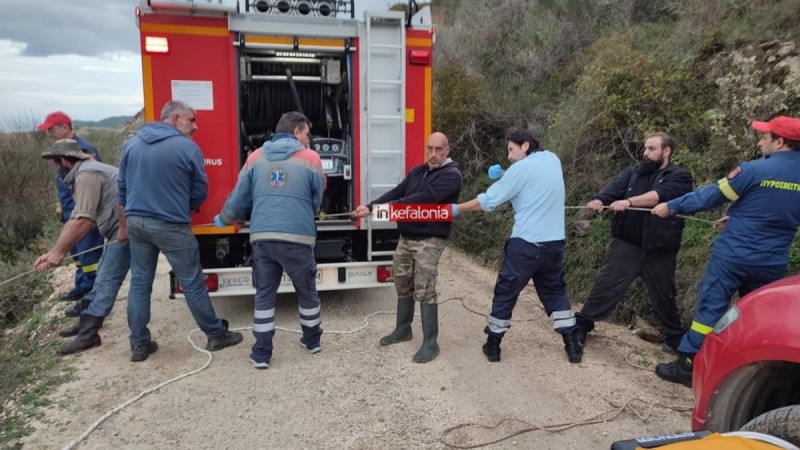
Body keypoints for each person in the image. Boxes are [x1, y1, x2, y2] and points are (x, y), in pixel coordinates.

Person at [651, 116, 800, 386]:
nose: (759, 141)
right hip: (772, 262)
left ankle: (687, 366)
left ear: (780, 142)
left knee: (710, 310)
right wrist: (741, 217)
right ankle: (748, 377)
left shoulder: (754, 170)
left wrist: (671, 206)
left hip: (734, 256)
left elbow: (709, 196)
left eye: (764, 137)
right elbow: (777, 212)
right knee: (757, 317)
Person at [118, 100, 242, 362]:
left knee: (140, 283)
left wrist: (123, 227)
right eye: (192, 120)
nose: (195, 126)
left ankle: (139, 344)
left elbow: (122, 191)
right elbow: (200, 190)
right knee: (192, 282)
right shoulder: (187, 148)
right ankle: (216, 334)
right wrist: (186, 207)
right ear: (175, 119)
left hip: (136, 223)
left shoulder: (132, 144)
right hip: (171, 225)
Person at [453, 130, 582, 363]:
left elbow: (489, 201)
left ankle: (493, 345)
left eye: (511, 150)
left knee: (506, 292)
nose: (509, 156)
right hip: (554, 244)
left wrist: (457, 209)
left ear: (525, 145)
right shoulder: (553, 160)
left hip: (526, 245)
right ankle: (572, 345)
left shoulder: (519, 169)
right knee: (554, 291)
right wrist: (505, 174)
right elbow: (533, 185)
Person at [214, 112, 325, 370]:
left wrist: (224, 218)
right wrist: (309, 213)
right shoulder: (311, 159)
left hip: (263, 238)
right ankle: (312, 341)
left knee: (264, 295)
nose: (308, 140)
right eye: (307, 133)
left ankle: (261, 353)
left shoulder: (255, 157)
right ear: (296, 131)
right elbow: (317, 197)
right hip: (298, 237)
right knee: (307, 291)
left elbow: (240, 196)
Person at [574, 133, 693, 354]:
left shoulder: (680, 177)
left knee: (664, 296)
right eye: (645, 148)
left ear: (666, 151)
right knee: (605, 285)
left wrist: (628, 202)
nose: (645, 153)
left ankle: (676, 342)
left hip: (660, 250)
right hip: (626, 245)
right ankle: (583, 324)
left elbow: (659, 196)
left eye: (651, 149)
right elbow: (612, 190)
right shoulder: (633, 172)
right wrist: (600, 199)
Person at [352, 132, 462, 363]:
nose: (433, 154)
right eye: (429, 149)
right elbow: (398, 192)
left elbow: (423, 198)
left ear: (447, 150)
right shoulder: (418, 171)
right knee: (402, 282)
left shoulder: (451, 176)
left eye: (438, 150)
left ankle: (431, 343)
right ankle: (403, 329)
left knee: (425, 289)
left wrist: (383, 209)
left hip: (429, 240)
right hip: (406, 237)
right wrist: (370, 206)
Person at [33, 139, 131, 356]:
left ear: (65, 161)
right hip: (119, 228)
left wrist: (58, 253)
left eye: (55, 162)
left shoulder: (87, 174)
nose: (55, 168)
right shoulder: (85, 172)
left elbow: (84, 220)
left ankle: (88, 334)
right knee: (103, 275)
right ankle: (85, 324)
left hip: (126, 231)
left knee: (107, 280)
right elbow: (76, 217)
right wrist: (54, 251)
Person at [36, 111, 104, 317]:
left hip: (84, 214)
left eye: (52, 128)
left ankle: (91, 297)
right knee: (77, 254)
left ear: (65, 127)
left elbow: (90, 185)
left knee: (89, 255)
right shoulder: (61, 149)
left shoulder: (83, 149)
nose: (49, 133)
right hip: (70, 212)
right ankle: (81, 285)